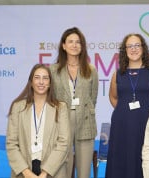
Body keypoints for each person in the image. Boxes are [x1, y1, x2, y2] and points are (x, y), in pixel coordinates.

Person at [105, 33, 149, 178]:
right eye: (130, 46)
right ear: (124, 50)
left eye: (137, 45)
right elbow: (112, 97)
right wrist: (123, 112)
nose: (134, 49)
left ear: (143, 48)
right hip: (121, 125)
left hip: (146, 124)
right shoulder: (117, 74)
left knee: (143, 158)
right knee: (120, 158)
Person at [49, 27, 99, 178]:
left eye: (78, 42)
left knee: (84, 172)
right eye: (70, 41)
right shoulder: (53, 70)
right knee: (62, 169)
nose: (74, 45)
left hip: (85, 121)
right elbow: (50, 98)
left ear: (82, 46)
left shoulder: (91, 70)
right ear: (63, 45)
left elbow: (93, 97)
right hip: (61, 122)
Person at [6, 64, 70, 178]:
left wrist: (45, 173)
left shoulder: (61, 108)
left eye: (45, 78)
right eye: (37, 77)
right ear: (31, 82)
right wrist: (27, 173)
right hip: (23, 171)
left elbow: (63, 143)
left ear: (50, 83)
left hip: (53, 172)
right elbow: (11, 144)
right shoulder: (18, 107)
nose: (41, 82)